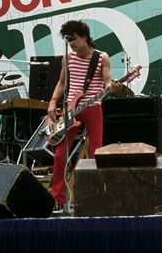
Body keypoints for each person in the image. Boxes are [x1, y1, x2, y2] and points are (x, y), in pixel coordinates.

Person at [46, 20, 122, 210]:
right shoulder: (67, 58)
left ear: (84, 37)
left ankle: (97, 195)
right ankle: (58, 199)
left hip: (93, 106)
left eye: (73, 39)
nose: (70, 43)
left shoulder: (102, 57)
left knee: (97, 152)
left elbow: (106, 82)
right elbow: (62, 83)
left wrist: (111, 88)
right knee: (60, 155)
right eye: (68, 39)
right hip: (70, 109)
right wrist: (53, 102)